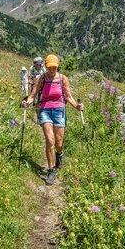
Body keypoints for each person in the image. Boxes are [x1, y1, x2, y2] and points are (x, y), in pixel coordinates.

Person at [22, 54, 83, 185]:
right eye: (49, 67)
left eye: (54, 67)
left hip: (59, 110)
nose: (52, 70)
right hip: (44, 110)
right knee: (50, 141)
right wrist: (27, 102)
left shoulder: (62, 79)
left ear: (57, 66)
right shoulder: (41, 78)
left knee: (59, 143)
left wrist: (77, 106)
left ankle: (59, 154)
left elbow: (68, 97)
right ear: (46, 66)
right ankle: (51, 170)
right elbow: (32, 95)